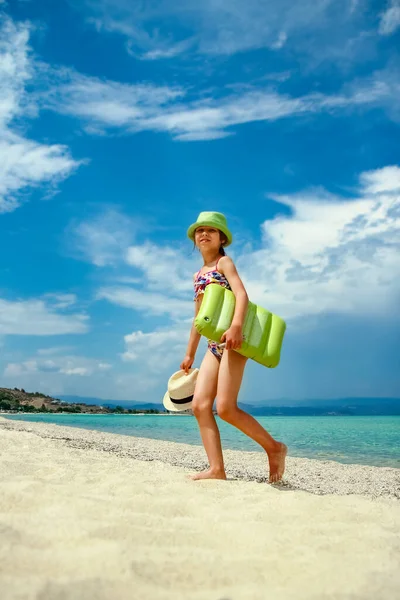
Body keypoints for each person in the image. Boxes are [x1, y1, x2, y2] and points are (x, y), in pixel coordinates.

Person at [180, 211, 287, 483]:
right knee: (200, 406)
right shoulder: (197, 275)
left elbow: (241, 294)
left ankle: (274, 448)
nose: (204, 234)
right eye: (199, 230)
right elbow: (197, 317)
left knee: (226, 408)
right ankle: (216, 469)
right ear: (194, 238)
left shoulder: (223, 263)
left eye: (211, 230)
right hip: (211, 346)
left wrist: (236, 326)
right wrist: (189, 352)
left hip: (233, 342)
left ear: (221, 238)